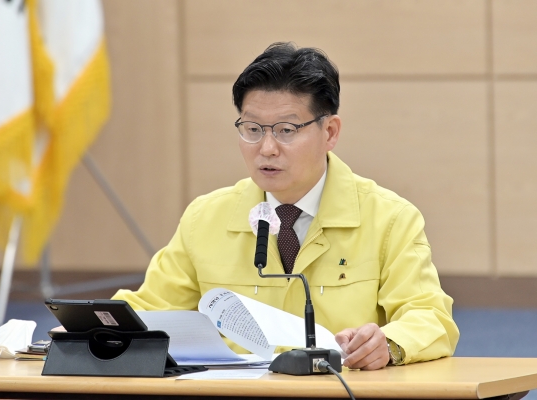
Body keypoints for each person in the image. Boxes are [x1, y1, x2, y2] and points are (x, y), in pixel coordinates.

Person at [113, 42, 459, 370]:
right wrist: (95, 323)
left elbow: (431, 317)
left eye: (286, 130)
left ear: (330, 132)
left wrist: (388, 344)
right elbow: (148, 311)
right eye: (252, 129)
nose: (266, 148)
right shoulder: (205, 219)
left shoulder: (389, 219)